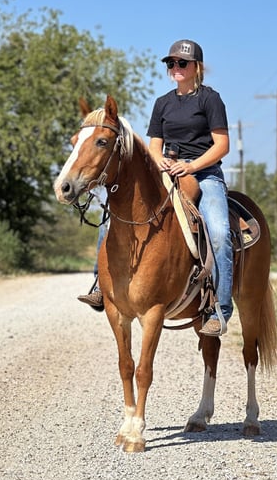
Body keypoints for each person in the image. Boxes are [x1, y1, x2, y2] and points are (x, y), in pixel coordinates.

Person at [78, 39, 233, 337]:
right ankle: (100, 283)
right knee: (111, 215)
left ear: (196, 67)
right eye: (171, 63)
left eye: (182, 63)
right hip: (167, 171)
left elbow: (222, 145)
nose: (175, 68)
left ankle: (219, 309)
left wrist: (191, 166)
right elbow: (154, 145)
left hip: (204, 174)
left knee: (220, 231)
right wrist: (160, 161)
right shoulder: (163, 103)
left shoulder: (210, 100)